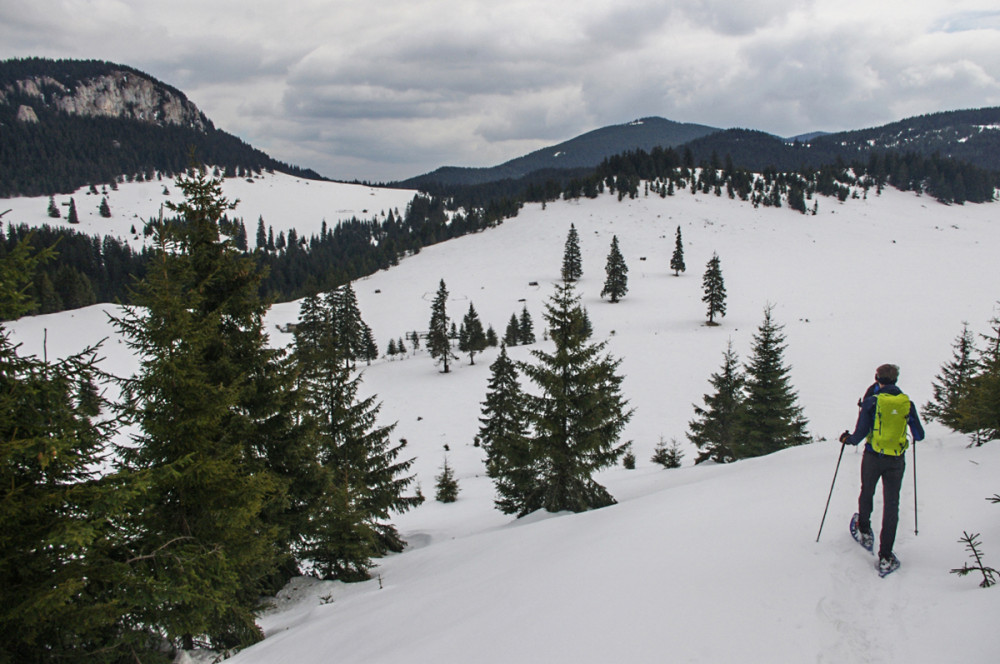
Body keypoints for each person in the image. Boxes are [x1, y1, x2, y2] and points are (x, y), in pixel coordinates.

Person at [839, 363, 925, 574]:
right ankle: (886, 555)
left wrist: (846, 439)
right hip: (896, 459)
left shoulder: (872, 402)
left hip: (873, 456)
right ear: (896, 379)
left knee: (867, 490)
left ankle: (865, 529)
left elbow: (859, 435)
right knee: (891, 504)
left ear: (877, 378)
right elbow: (919, 435)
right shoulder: (907, 403)